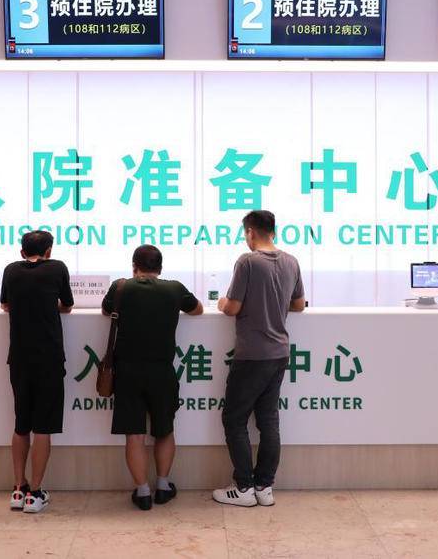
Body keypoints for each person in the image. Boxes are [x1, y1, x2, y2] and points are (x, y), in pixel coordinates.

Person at [212, 210, 304, 508]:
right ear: (273, 231)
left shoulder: (247, 262)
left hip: (252, 354)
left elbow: (232, 308)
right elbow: (299, 304)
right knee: (269, 421)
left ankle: (243, 487)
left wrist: (221, 302)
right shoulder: (291, 261)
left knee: (234, 419)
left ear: (250, 232)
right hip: (279, 353)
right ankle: (264, 487)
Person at [101, 245, 203, 510]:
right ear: (160, 267)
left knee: (135, 434)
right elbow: (198, 310)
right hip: (162, 370)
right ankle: (163, 486)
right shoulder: (175, 288)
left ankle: (143, 492)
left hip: (127, 371)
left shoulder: (121, 287)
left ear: (134, 265)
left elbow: (106, 310)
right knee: (164, 430)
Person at [0, 230, 74, 513]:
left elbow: (5, 304)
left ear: (22, 252)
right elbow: (67, 305)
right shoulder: (57, 268)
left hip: (19, 357)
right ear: (49, 251)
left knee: (21, 424)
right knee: (43, 427)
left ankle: (18, 488)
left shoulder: (11, 270)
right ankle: (35, 493)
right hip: (49, 358)